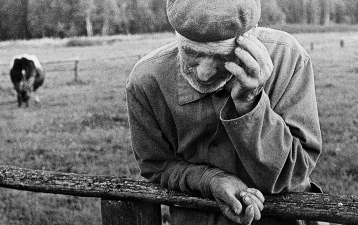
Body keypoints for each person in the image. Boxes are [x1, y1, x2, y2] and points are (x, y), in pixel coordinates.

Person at [126, 0, 324, 224]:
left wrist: (249, 103)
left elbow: (293, 173)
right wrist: (209, 180)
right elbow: (156, 165)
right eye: (191, 52)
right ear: (177, 34)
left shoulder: (289, 59)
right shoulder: (146, 81)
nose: (204, 73)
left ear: (252, 36)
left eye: (223, 57)